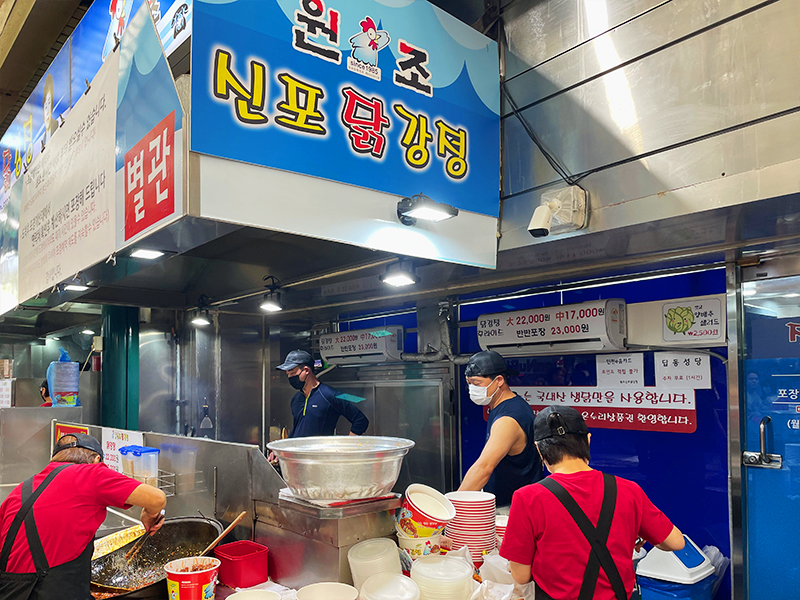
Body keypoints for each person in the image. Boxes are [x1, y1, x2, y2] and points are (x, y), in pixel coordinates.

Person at [500, 406, 685, 600]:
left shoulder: (528, 497)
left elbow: (521, 576)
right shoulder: (629, 490)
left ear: (539, 448)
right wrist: (635, 532)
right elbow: (676, 542)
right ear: (588, 440)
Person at [0, 433, 166, 600]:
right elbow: (157, 499)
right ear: (97, 460)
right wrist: (149, 513)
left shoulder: (18, 492)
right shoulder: (91, 473)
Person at [459, 351, 543, 507]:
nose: (472, 389)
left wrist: (452, 506)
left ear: (499, 380)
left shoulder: (508, 419)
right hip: (510, 501)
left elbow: (484, 468)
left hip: (514, 507)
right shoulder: (505, 405)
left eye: (476, 383)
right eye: (469, 383)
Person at [276, 350, 369, 438]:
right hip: (298, 449)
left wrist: (348, 445)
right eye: (288, 374)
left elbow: (360, 420)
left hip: (321, 450)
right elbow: (298, 429)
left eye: (292, 373)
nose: (290, 377)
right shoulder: (296, 399)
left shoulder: (330, 395)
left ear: (306, 370)